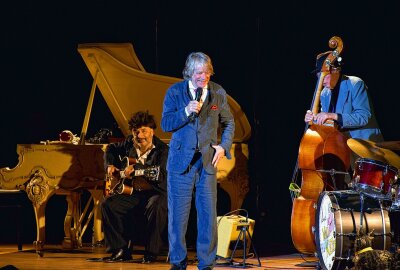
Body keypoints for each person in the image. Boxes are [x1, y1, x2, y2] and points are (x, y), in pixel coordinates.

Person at [161, 52, 235, 270]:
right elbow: (166, 124)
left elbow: (229, 123)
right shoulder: (175, 92)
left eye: (207, 72)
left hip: (206, 162)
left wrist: (224, 146)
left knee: (208, 217)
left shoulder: (218, 92)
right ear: (189, 73)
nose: (204, 77)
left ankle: (206, 263)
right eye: (199, 73)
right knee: (177, 217)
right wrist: (186, 111)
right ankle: (178, 262)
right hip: (180, 164)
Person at [93, 111, 168, 263]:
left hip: (157, 191)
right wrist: (110, 165)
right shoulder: (128, 142)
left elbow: (161, 176)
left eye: (144, 131)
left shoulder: (163, 151)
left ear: (152, 131)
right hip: (134, 192)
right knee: (109, 204)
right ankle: (120, 250)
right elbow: (110, 149)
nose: (140, 136)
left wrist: (139, 168)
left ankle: (151, 252)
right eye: (136, 132)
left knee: (156, 205)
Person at [304, 50, 383, 142]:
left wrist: (333, 115)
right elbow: (327, 122)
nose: (321, 81)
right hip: (341, 145)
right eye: (319, 77)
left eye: (324, 76)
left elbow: (363, 117)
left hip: (364, 144)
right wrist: (314, 119)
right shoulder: (324, 93)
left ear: (335, 71)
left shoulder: (355, 83)